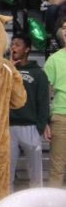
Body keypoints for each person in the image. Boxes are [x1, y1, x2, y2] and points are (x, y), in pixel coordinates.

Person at [8, 33, 50, 189]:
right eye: (12, 44)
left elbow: (43, 102)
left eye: (17, 44)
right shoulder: (6, 70)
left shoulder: (38, 73)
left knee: (36, 175)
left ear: (27, 49)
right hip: (9, 126)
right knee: (6, 174)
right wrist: (9, 67)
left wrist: (39, 127)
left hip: (30, 126)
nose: (13, 48)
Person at [45, 27, 66, 188]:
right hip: (60, 116)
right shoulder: (53, 60)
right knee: (57, 167)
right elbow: (45, 92)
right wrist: (45, 121)